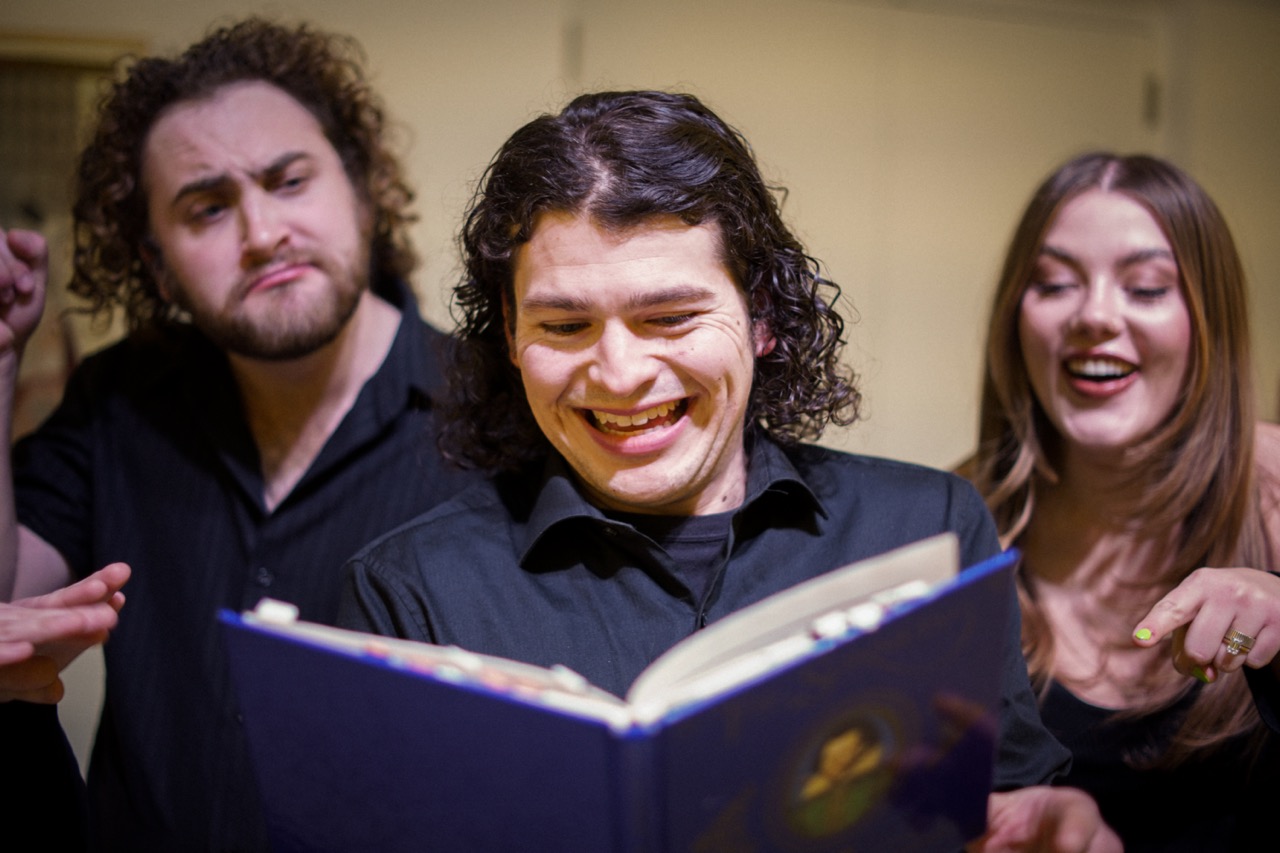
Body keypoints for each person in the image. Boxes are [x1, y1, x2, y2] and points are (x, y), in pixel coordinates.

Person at [339, 89, 1120, 851]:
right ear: (510, 337)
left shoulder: (929, 527)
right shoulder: (411, 591)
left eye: (669, 318)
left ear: (763, 316)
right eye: (565, 325)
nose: (618, 372)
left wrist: (1048, 827)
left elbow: (1011, 799)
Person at [0, 18, 477, 850]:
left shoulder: (498, 413)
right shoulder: (118, 401)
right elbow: (9, 605)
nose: (262, 234)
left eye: (288, 181)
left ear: (360, 191)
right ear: (156, 264)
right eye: (208, 207)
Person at [961, 151, 1280, 851]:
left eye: (1145, 288)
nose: (1095, 316)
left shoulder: (1273, 493)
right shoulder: (950, 526)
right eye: (1053, 283)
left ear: (1210, 322)